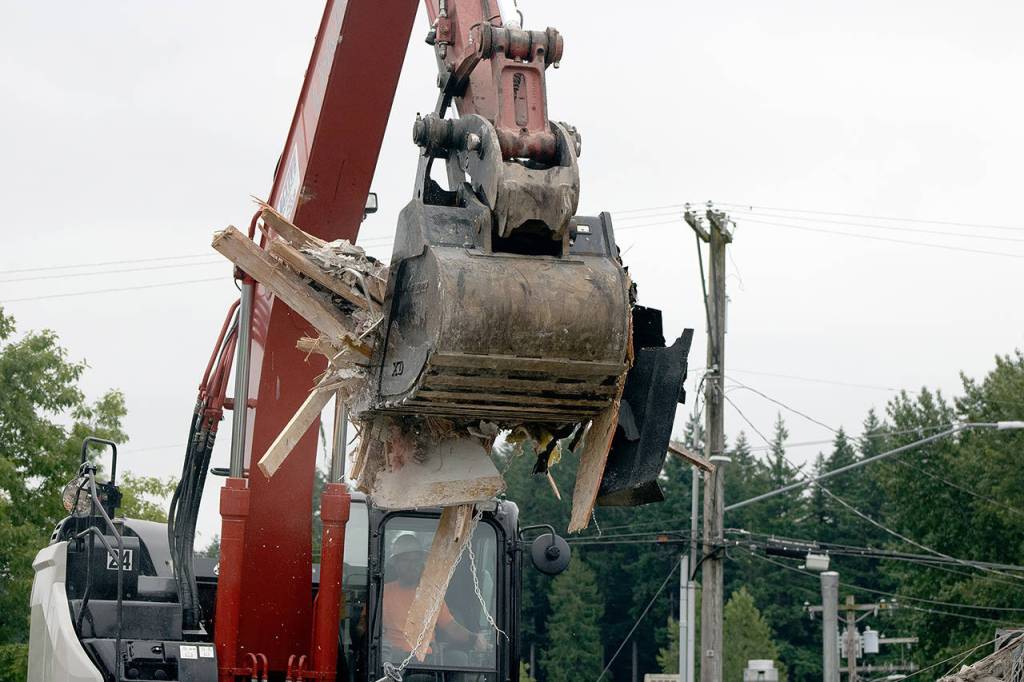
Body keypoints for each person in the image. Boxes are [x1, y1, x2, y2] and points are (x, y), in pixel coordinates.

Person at [381, 533, 489, 662]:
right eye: (406, 560)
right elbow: (364, 628)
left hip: (428, 659)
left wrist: (474, 638)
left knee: (459, 659)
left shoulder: (431, 594)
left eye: (415, 561)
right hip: (393, 660)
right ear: (396, 564)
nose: (411, 566)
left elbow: (451, 627)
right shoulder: (383, 593)